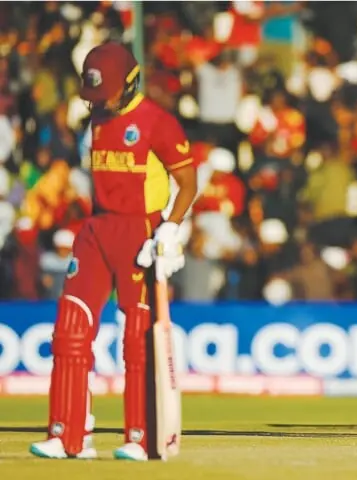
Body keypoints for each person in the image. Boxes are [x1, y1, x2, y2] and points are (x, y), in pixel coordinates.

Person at [30, 42, 198, 461]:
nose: (100, 105)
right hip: (96, 227)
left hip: (140, 230)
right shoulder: (97, 116)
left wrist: (171, 229)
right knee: (70, 327)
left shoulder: (157, 122)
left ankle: (142, 437)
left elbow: (189, 182)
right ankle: (67, 434)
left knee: (138, 335)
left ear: (131, 82)